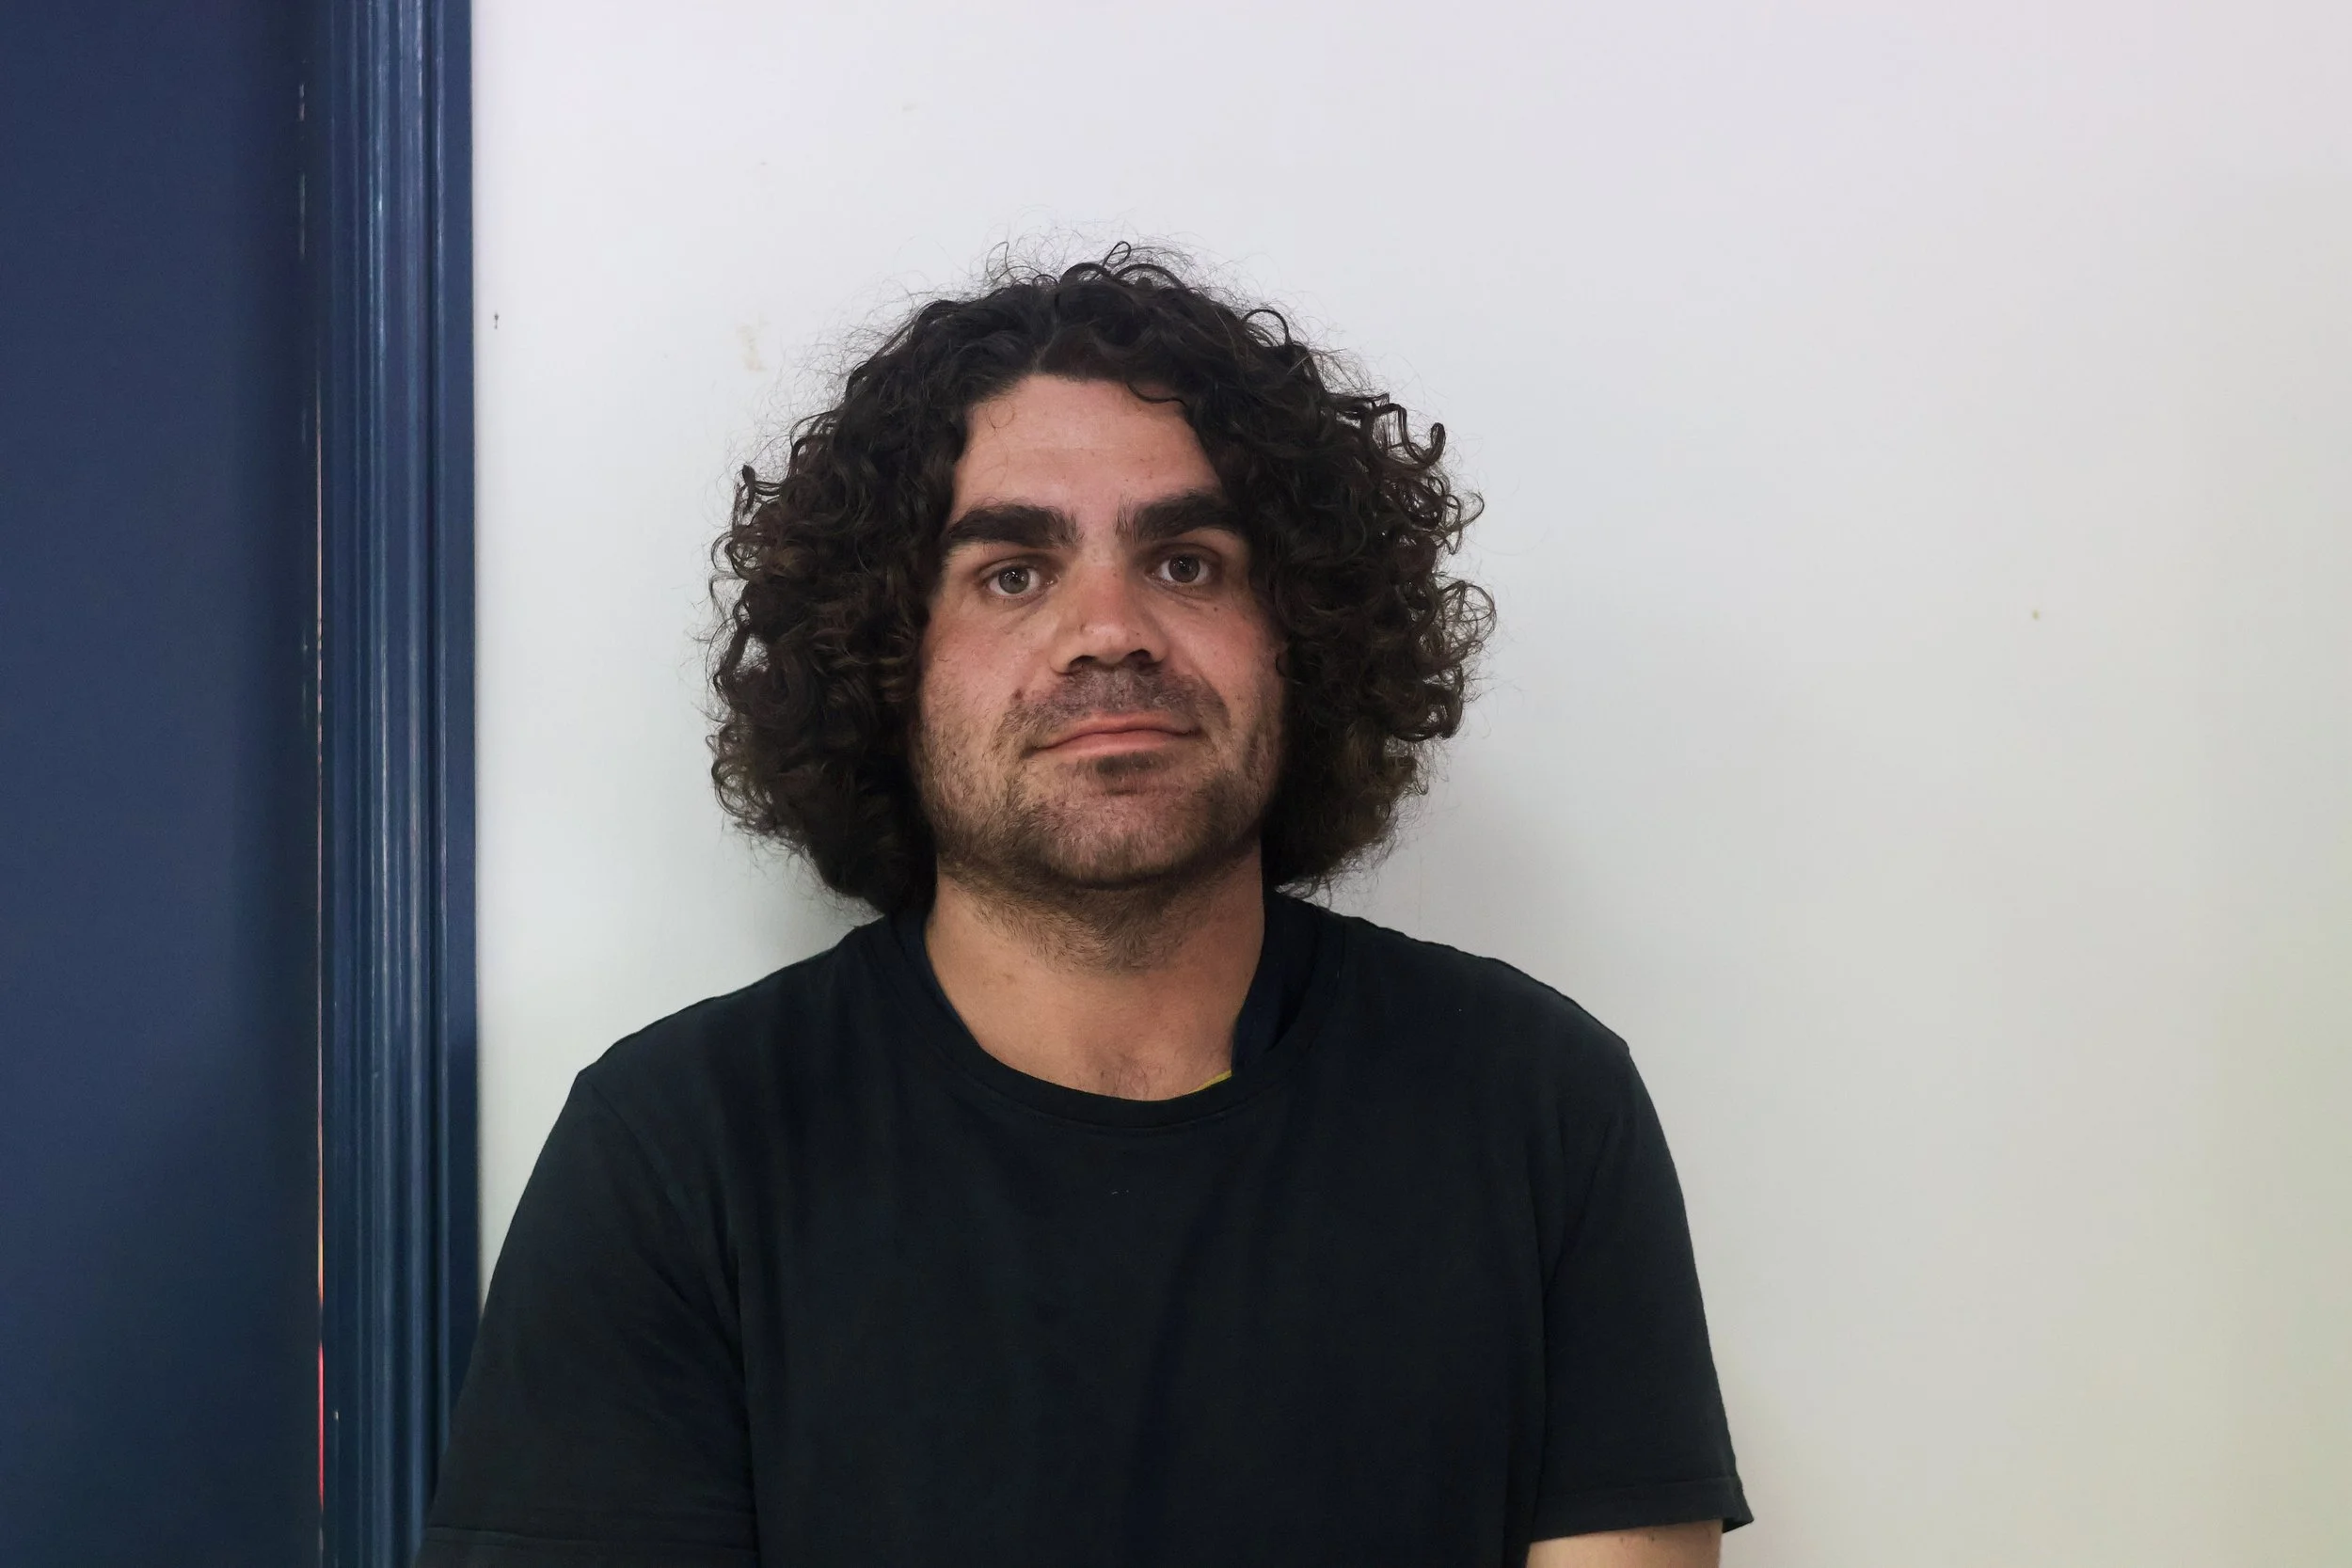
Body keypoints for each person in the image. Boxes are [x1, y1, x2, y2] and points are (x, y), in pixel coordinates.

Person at [418, 247, 1750, 1567]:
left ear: (1303, 636)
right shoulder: (677, 1150)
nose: (1110, 630)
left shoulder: (1535, 1104)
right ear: (888, 662)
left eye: (1187, 563)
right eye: (1012, 573)